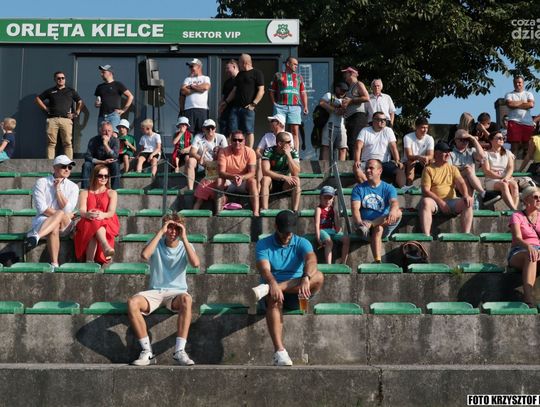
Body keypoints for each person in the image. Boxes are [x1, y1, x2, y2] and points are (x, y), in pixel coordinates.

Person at [250, 210, 324, 365]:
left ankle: (275, 288)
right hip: (274, 291)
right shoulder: (263, 244)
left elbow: (311, 260)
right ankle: (280, 352)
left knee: (319, 276)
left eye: (290, 232)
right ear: (276, 227)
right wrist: (272, 283)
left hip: (299, 290)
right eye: (284, 232)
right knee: (274, 296)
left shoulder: (302, 242)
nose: (287, 235)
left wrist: (306, 277)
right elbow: (264, 269)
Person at [127, 212, 200, 366]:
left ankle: (179, 351)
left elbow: (195, 264)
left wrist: (184, 237)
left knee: (187, 299)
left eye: (177, 228)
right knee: (133, 302)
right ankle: (147, 351)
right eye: (170, 227)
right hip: (155, 291)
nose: (173, 231)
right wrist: (161, 231)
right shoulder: (156, 242)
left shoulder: (186, 246)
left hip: (176, 293)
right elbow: (145, 255)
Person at [24, 155, 79, 269]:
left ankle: (36, 236)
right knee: (56, 222)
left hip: (64, 224)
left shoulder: (73, 187)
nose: (67, 169)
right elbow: (42, 208)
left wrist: (58, 189)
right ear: (55, 167)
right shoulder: (41, 182)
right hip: (44, 220)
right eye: (64, 166)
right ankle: (54, 263)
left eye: (69, 167)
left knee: (60, 214)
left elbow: (68, 209)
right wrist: (60, 215)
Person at [351, 159, 402, 263]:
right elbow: (355, 209)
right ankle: (378, 260)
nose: (367, 170)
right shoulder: (358, 189)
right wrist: (359, 222)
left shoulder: (389, 188)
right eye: (366, 168)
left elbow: (394, 202)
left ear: (380, 171)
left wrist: (392, 211)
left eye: (371, 168)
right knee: (378, 228)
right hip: (364, 228)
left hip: (384, 223)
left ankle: (372, 224)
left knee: (398, 212)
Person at [419, 141, 473, 236]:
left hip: (451, 201)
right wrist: (441, 202)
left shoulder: (453, 168)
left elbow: (461, 183)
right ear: (436, 154)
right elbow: (425, 191)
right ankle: (426, 236)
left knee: (468, 201)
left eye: (449, 152)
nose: (448, 154)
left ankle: (466, 235)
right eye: (445, 152)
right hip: (435, 202)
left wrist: (466, 195)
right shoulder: (428, 169)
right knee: (425, 202)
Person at [74, 164, 119, 264]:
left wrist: (102, 215)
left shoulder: (112, 193)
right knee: (94, 219)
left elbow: (111, 212)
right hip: (88, 219)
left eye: (106, 176)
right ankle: (105, 246)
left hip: (107, 221)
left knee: (95, 220)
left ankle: (89, 260)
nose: (103, 178)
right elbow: (82, 210)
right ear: (94, 176)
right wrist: (87, 214)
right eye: (100, 175)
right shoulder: (85, 192)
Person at [219, 54, 265, 148]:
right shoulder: (240, 74)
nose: (238, 64)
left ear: (244, 62)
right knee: (232, 131)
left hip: (248, 108)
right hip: (235, 108)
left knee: (249, 131)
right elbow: (234, 91)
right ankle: (231, 151)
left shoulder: (257, 73)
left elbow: (261, 90)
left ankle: (248, 151)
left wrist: (253, 104)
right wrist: (226, 102)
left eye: (239, 62)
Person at [35, 71, 84, 159]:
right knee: (51, 143)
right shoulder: (50, 91)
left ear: (65, 79)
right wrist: (46, 108)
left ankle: (69, 163)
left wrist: (76, 113)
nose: (61, 79)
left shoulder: (71, 91)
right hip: (52, 119)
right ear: (55, 79)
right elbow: (38, 99)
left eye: (62, 78)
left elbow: (80, 102)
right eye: (58, 78)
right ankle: (50, 164)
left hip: (66, 120)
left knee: (67, 143)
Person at [353, 111, 405, 187]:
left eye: (384, 120)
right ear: (373, 120)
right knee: (357, 169)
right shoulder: (365, 130)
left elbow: (393, 147)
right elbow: (358, 146)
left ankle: (403, 188)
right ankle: (370, 187)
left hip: (384, 163)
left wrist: (397, 160)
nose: (383, 122)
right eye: (380, 120)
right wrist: (357, 160)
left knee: (400, 169)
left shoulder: (388, 130)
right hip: (367, 162)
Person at [507, 186, 540, 307]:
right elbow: (517, 238)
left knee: (534, 253)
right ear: (526, 200)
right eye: (535, 197)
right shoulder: (517, 216)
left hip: (538, 251)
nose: (539, 200)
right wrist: (529, 246)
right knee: (530, 255)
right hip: (519, 251)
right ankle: (528, 299)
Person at [269, 56, 308, 150]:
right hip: (280, 106)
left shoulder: (299, 77)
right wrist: (274, 103)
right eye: (294, 64)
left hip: (295, 106)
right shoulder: (278, 75)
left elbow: (303, 93)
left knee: (295, 131)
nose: (296, 66)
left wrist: (305, 106)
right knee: (278, 130)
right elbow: (271, 91)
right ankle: (278, 152)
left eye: (297, 65)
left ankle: (295, 154)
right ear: (287, 64)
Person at [217, 130, 259, 216]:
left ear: (244, 141)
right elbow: (221, 172)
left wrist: (242, 177)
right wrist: (233, 177)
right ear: (230, 141)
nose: (237, 142)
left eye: (240, 140)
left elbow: (252, 172)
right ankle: (218, 211)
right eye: (234, 140)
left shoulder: (250, 152)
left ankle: (256, 212)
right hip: (229, 181)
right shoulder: (223, 151)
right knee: (219, 180)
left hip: (244, 181)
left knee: (253, 181)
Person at [260, 131, 301, 212]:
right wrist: (283, 177)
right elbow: (265, 171)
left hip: (285, 185)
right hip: (272, 182)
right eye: (288, 142)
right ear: (279, 144)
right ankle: (265, 209)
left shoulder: (293, 152)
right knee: (265, 179)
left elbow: (296, 173)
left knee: (297, 180)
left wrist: (289, 156)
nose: (290, 144)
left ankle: (295, 211)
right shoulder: (269, 151)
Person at [186, 118, 228, 191]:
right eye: (208, 128)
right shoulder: (198, 137)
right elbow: (192, 152)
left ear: (215, 129)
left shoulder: (221, 137)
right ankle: (190, 190)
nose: (210, 130)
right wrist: (205, 162)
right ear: (203, 129)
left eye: (212, 128)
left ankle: (213, 191)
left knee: (212, 183)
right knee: (190, 161)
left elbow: (226, 154)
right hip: (202, 164)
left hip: (217, 164)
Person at [482, 131, 519, 210]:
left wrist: (506, 178)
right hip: (491, 179)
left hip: (505, 178)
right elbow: (487, 171)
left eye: (503, 138)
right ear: (491, 140)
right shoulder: (485, 154)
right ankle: (514, 210)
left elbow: (511, 168)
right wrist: (502, 177)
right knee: (504, 185)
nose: (502, 139)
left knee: (514, 184)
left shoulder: (508, 153)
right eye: (499, 138)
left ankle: (514, 209)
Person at [449, 129, 487, 203]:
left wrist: (474, 140)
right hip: (455, 180)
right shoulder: (450, 153)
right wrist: (462, 167)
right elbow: (449, 168)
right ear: (455, 140)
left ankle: (470, 204)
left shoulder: (471, 151)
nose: (464, 142)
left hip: (469, 180)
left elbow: (482, 157)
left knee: (467, 179)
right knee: (468, 170)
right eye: (461, 140)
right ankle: (483, 193)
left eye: (466, 140)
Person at [315, 186, 350, 264]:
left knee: (346, 239)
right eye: (325, 198)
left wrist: (336, 218)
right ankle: (329, 264)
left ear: (333, 199)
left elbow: (337, 228)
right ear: (320, 198)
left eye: (330, 198)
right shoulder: (319, 209)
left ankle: (343, 263)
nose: (327, 200)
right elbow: (317, 224)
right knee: (329, 242)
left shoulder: (333, 210)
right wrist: (318, 238)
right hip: (322, 230)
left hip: (331, 230)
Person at [94, 64, 133, 133]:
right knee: (101, 136)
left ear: (110, 73)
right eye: (101, 72)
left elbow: (130, 96)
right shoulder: (100, 87)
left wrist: (123, 110)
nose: (101, 74)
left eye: (103, 72)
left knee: (114, 135)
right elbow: (97, 101)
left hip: (113, 115)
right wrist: (96, 104)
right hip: (102, 116)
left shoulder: (118, 85)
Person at [341, 67, 370, 158]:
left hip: (358, 117)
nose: (344, 75)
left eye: (346, 73)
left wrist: (351, 101)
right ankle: (353, 162)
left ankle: (356, 163)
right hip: (350, 118)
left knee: (355, 141)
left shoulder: (359, 84)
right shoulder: (350, 88)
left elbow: (366, 97)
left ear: (351, 73)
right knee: (351, 142)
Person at [82, 121, 120, 190]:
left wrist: (105, 144)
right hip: (97, 164)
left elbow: (115, 156)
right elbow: (87, 156)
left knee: (116, 164)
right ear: (100, 131)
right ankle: (85, 190)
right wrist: (102, 162)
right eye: (104, 131)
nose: (107, 133)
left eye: (109, 131)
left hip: (110, 164)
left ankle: (115, 190)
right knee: (86, 165)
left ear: (112, 132)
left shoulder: (115, 140)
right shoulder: (93, 140)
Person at [505, 75, 535, 157]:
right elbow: (510, 104)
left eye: (519, 82)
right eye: (515, 83)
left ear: (523, 83)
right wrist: (523, 102)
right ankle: (512, 165)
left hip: (527, 123)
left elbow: (531, 104)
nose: (517, 84)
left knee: (527, 147)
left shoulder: (528, 94)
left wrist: (516, 104)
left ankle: (528, 164)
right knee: (514, 147)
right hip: (514, 122)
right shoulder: (509, 94)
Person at [180, 58, 211, 135]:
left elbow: (206, 87)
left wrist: (191, 87)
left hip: (202, 109)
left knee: (202, 132)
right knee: (189, 133)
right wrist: (199, 89)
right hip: (189, 109)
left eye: (192, 66)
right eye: (189, 67)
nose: (190, 68)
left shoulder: (205, 78)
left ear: (199, 67)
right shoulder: (187, 79)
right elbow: (183, 90)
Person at [319, 82, 348, 161]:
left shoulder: (346, 99)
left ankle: (341, 167)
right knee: (326, 147)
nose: (343, 92)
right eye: (342, 90)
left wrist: (343, 109)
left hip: (341, 126)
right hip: (329, 124)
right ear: (336, 88)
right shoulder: (329, 95)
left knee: (343, 148)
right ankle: (325, 166)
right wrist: (334, 109)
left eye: (345, 91)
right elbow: (321, 102)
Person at [403, 117, 434, 186]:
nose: (425, 130)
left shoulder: (429, 138)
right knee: (411, 162)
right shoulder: (407, 137)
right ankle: (409, 185)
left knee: (432, 161)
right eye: (423, 127)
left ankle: (432, 185)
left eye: (426, 128)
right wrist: (419, 157)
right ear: (416, 127)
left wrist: (426, 158)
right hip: (409, 162)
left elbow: (431, 155)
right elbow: (409, 156)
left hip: (422, 161)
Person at [193, 146, 221, 211]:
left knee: (219, 199)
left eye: (217, 151)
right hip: (205, 185)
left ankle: (217, 213)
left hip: (216, 185)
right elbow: (201, 162)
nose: (215, 153)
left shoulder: (222, 162)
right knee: (199, 200)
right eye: (214, 151)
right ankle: (194, 213)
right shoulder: (210, 162)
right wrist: (204, 152)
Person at [218, 59, 239, 137]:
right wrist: (220, 108)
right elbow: (223, 97)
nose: (226, 71)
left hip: (236, 110)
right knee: (223, 133)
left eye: (228, 68)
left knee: (233, 133)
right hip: (225, 111)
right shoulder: (227, 82)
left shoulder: (241, 79)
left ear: (234, 66)